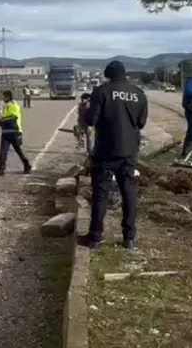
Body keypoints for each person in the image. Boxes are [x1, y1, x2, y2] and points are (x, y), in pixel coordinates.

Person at [78, 60, 147, 251]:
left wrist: (86, 112)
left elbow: (91, 120)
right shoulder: (139, 94)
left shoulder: (102, 92)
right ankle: (129, 238)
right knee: (129, 193)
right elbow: (141, 122)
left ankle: (95, 236)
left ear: (108, 74)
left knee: (101, 193)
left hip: (106, 150)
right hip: (130, 151)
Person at [0, 90, 32, 175]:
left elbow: (11, 119)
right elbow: (1, 122)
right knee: (3, 152)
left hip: (14, 132)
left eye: (4, 97)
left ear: (8, 97)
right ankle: (1, 170)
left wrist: (0, 120)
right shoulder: (6, 106)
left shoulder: (13, 105)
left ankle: (27, 165)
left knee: (19, 150)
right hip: (6, 132)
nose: (3, 99)